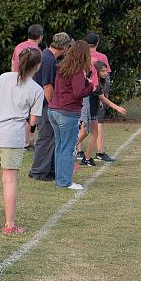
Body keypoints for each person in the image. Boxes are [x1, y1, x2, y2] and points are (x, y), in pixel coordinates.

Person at [0, 48, 43, 234]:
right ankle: (10, 225)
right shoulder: (36, 89)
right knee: (10, 180)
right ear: (37, 66)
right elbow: (33, 120)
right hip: (11, 136)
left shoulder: (4, 77)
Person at [48, 40, 95, 190]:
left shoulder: (62, 68)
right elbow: (78, 93)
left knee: (61, 146)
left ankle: (60, 178)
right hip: (67, 113)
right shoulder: (77, 71)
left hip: (54, 110)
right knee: (67, 148)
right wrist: (91, 86)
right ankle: (65, 181)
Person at [30, 32, 71, 181]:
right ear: (65, 47)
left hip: (42, 104)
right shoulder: (48, 60)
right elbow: (47, 86)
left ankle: (47, 170)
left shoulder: (46, 56)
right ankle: (38, 172)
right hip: (45, 105)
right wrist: (54, 105)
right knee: (46, 138)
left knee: (51, 138)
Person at [81, 61, 127, 166]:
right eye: (103, 71)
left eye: (106, 71)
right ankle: (71, 150)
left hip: (93, 110)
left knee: (92, 133)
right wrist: (117, 108)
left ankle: (87, 158)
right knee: (86, 133)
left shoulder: (99, 82)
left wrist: (100, 101)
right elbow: (102, 98)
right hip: (88, 110)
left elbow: (100, 97)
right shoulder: (93, 82)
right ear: (96, 71)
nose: (105, 73)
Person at [85, 33, 116, 163]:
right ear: (97, 43)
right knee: (99, 122)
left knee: (82, 124)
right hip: (97, 92)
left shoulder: (82, 56)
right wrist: (105, 96)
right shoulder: (101, 57)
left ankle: (80, 151)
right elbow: (106, 78)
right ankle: (100, 151)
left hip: (83, 92)